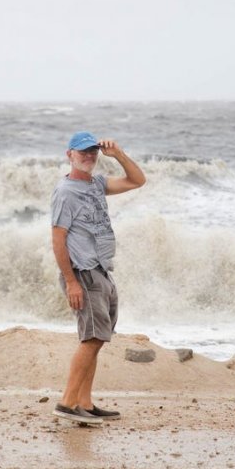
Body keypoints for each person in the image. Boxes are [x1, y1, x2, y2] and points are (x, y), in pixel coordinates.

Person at [50, 131, 146, 424]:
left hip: (101, 269)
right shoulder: (65, 192)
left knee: (97, 338)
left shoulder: (95, 184)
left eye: (92, 152)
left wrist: (118, 155)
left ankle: (84, 403)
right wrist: (71, 281)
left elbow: (137, 180)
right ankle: (67, 404)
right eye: (82, 152)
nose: (88, 156)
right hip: (83, 272)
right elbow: (58, 238)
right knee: (91, 338)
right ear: (69, 155)